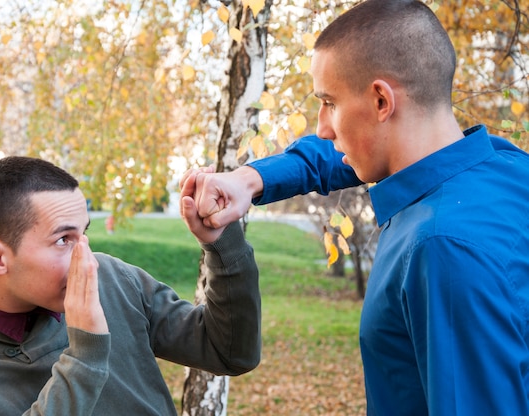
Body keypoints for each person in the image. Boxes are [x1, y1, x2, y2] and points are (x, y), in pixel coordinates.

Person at [183, 0, 529, 414]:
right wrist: (248, 180)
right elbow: (342, 156)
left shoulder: (441, 247)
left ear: (382, 102)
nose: (322, 127)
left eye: (329, 102)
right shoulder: (503, 164)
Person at [0, 156, 261, 415]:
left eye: (84, 233)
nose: (86, 258)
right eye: (63, 240)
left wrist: (223, 240)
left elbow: (229, 352)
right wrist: (86, 354)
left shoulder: (112, 278)